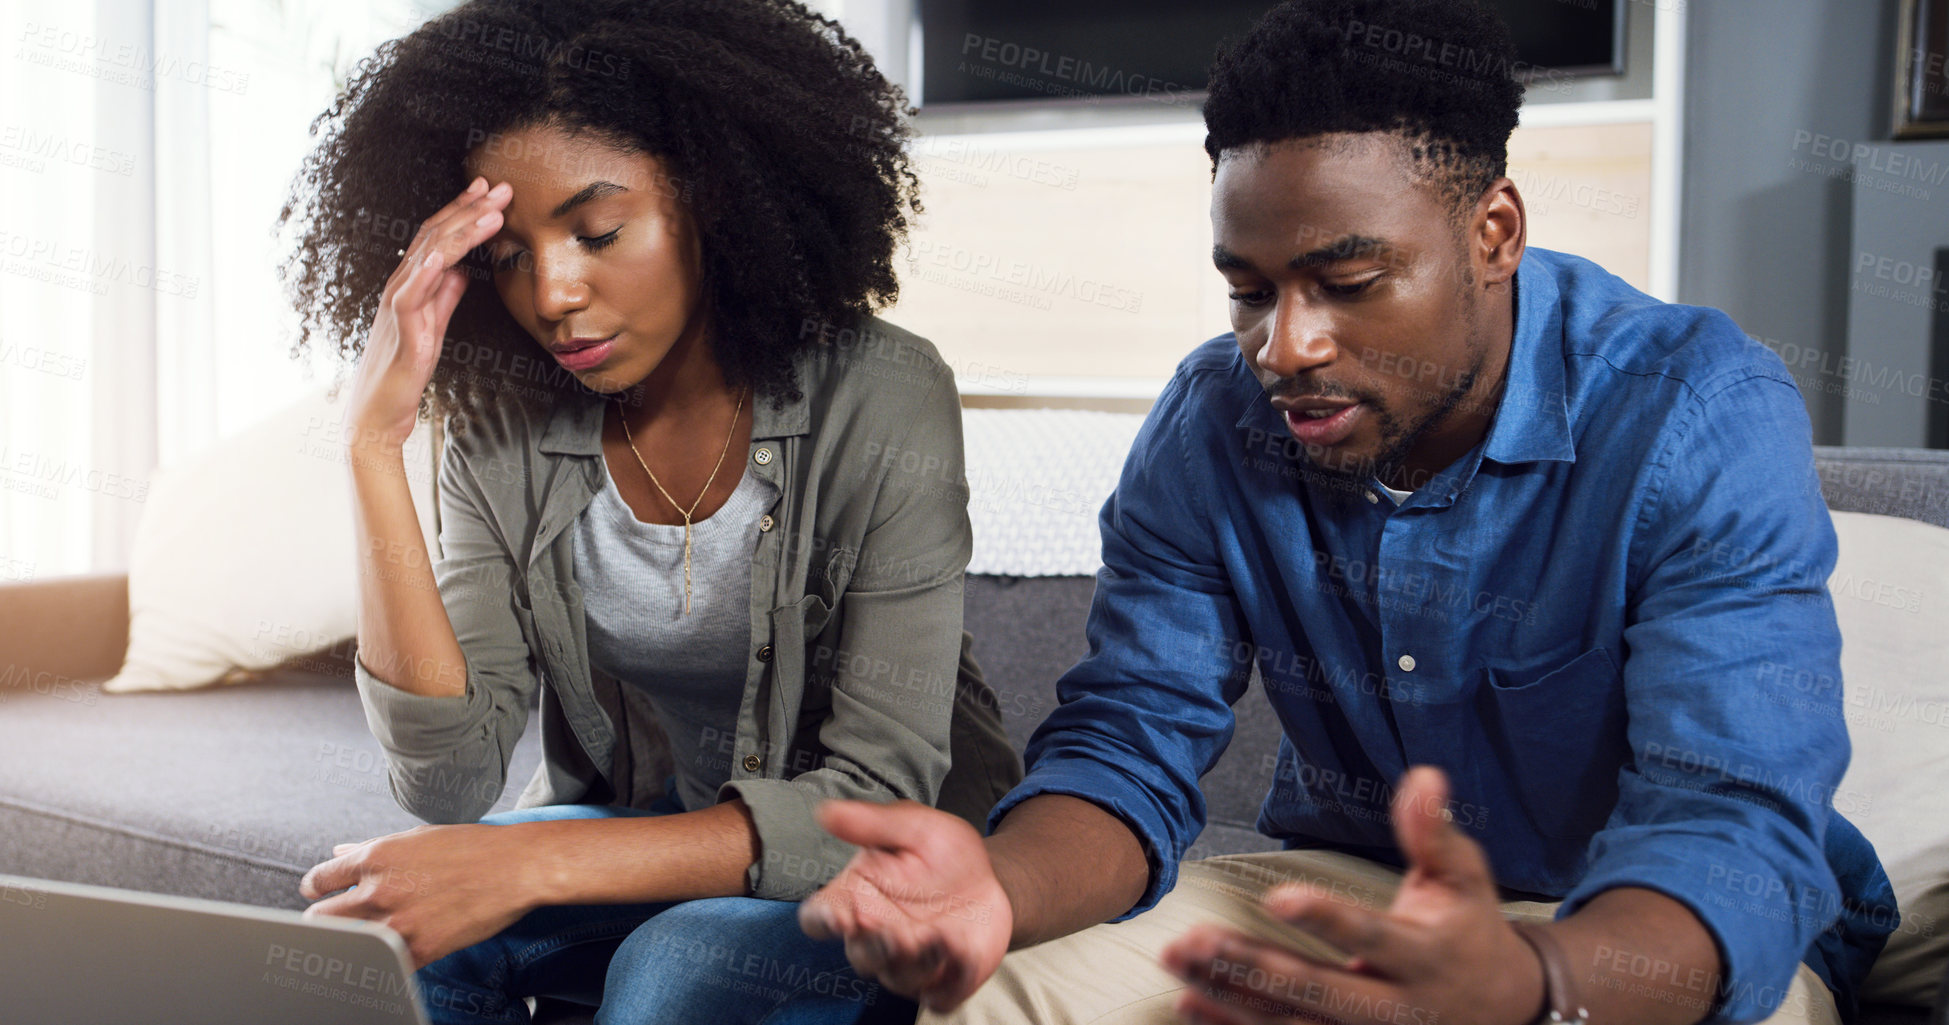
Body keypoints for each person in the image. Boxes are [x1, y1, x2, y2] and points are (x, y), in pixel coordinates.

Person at [798, 2, 1899, 1024]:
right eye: (1246, 288)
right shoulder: (1211, 421)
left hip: (1646, 932)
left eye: (1348, 281)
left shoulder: (1694, 409)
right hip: (1353, 885)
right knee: (1002, 991)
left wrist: (1528, 979)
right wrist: (996, 890)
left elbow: (1728, 828)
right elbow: (1127, 741)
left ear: (1494, 232)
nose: (1284, 346)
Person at [272, 1, 1022, 1022]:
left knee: (676, 964)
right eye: (508, 254)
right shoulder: (503, 415)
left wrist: (540, 858)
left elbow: (877, 795)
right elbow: (446, 783)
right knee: (376, 934)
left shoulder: (881, 394)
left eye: (596, 230)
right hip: (639, 835)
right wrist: (372, 446)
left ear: (714, 199)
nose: (552, 292)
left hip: (877, 873)